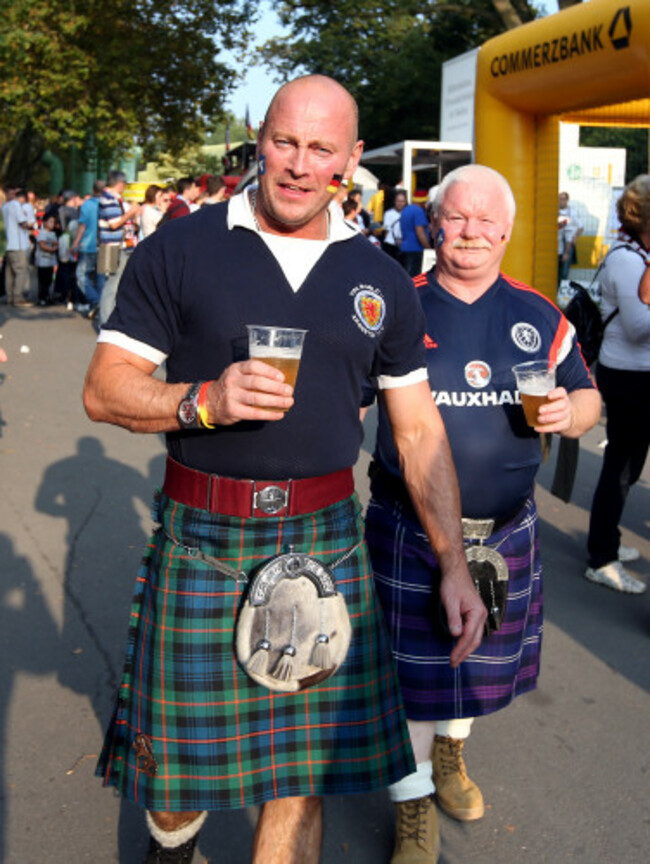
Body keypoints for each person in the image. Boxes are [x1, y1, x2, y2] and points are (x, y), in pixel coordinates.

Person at [82, 74, 485, 864]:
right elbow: (103, 391)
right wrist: (206, 400)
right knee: (175, 785)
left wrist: (452, 563)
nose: (300, 165)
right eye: (285, 142)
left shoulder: (380, 280)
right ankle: (173, 841)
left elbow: (417, 430)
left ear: (352, 158)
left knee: (298, 778)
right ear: (259, 139)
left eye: (322, 149)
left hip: (325, 542)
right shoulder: (184, 245)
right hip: (203, 538)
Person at [364, 164, 601, 864]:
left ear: (507, 229)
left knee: (468, 666)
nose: (469, 231)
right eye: (456, 217)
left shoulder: (539, 314)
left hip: (504, 533)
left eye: (483, 220)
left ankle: (450, 757)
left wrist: (571, 413)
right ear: (436, 224)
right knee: (406, 677)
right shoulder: (395, 305)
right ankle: (410, 801)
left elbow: (587, 397)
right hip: (406, 528)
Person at [585, 175, 650, 594]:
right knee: (622, 468)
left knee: (628, 466)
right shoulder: (628, 260)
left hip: (635, 375)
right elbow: (640, 326)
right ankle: (601, 557)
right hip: (630, 378)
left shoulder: (637, 254)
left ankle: (607, 542)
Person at [97, 170, 141, 326]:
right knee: (113, 285)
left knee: (116, 284)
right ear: (119, 183)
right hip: (115, 246)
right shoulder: (109, 199)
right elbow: (114, 223)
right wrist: (131, 212)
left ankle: (108, 318)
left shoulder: (113, 199)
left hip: (121, 245)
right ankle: (106, 320)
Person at [71, 180, 107, 318]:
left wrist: (75, 243)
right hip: (104, 245)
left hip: (88, 245)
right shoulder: (107, 204)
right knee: (100, 278)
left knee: (81, 275)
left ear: (93, 190)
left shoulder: (87, 205)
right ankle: (99, 308)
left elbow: (82, 226)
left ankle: (95, 301)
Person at [2, 187, 35, 306]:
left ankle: (9, 296)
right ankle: (18, 298)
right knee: (21, 271)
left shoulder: (5, 206)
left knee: (9, 272)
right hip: (18, 244)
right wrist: (30, 225)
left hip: (8, 243)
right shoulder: (16, 205)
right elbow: (23, 223)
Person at [399, 196, 431, 276]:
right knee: (415, 277)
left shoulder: (405, 210)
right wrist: (428, 248)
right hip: (416, 249)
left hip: (405, 247)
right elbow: (420, 232)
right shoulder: (418, 211)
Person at [558, 191, 583, 286]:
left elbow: (581, 227)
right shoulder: (555, 211)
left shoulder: (573, 212)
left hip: (568, 243)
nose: (561, 201)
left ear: (567, 200)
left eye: (563, 199)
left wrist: (575, 237)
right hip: (557, 243)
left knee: (564, 271)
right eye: (559, 199)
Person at [382, 189, 407, 261]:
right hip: (390, 244)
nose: (400, 203)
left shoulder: (407, 213)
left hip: (403, 244)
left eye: (402, 201)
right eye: (398, 201)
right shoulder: (388, 213)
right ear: (394, 202)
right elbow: (387, 230)